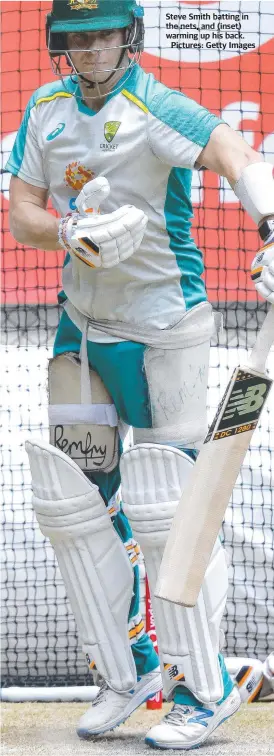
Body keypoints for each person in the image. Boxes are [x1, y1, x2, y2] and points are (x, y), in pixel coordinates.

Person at [7, 0, 274, 749]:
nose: (89, 51)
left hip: (166, 332)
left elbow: (237, 155)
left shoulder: (157, 105)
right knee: (74, 504)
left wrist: (273, 228)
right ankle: (131, 674)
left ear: (129, 36)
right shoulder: (46, 106)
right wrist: (64, 230)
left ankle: (206, 688)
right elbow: (22, 207)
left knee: (169, 509)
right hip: (83, 334)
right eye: (75, 39)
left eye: (101, 36)